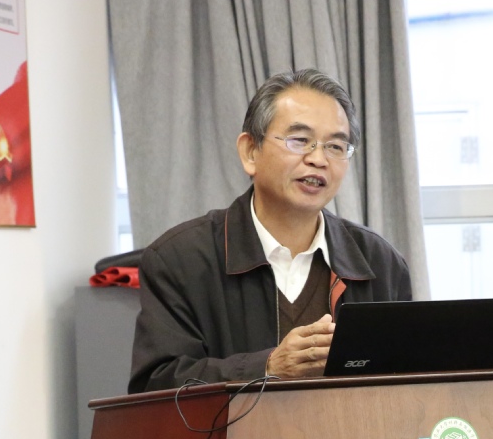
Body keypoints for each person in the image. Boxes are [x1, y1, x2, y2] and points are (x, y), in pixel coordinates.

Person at [128, 69, 412, 393]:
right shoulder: (179, 260)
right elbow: (155, 385)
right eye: (300, 141)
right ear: (250, 151)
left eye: (335, 146)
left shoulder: (380, 263)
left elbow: (406, 382)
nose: (318, 159)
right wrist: (267, 368)